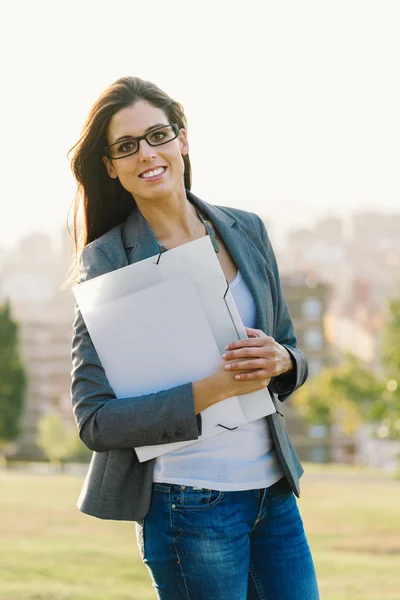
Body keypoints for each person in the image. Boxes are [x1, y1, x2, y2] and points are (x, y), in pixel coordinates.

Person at [69, 76, 320, 600]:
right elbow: (95, 420)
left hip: (273, 495)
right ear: (111, 167)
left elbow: (292, 350)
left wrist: (282, 360)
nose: (146, 153)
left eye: (157, 135)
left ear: (182, 139)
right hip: (187, 503)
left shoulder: (246, 229)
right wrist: (215, 387)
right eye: (125, 146)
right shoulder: (107, 263)